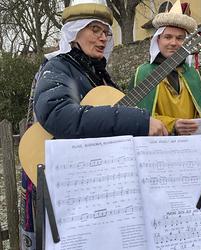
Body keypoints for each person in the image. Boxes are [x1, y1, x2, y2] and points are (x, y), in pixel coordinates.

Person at [20, 0, 168, 249]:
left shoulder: (97, 74)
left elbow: (105, 120)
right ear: (75, 32)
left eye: (106, 32)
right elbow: (60, 115)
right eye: (95, 30)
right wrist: (138, 121)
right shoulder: (59, 67)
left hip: (96, 180)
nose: (103, 38)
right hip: (67, 179)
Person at [130, 0, 201, 135]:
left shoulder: (193, 74)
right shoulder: (143, 72)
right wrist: (172, 124)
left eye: (180, 38)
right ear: (158, 40)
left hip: (191, 146)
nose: (173, 43)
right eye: (167, 37)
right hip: (157, 148)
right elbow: (135, 118)